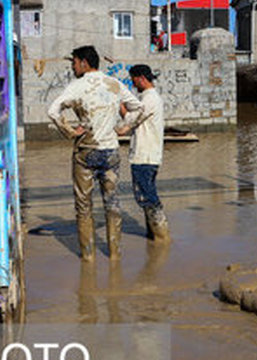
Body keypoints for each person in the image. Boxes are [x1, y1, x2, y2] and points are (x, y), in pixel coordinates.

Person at [47, 45, 140, 260]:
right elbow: (138, 108)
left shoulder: (77, 86)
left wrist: (70, 132)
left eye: (74, 62)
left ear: (84, 63)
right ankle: (115, 256)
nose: (73, 66)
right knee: (112, 202)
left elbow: (53, 111)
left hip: (86, 151)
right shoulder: (114, 83)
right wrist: (124, 127)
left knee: (83, 206)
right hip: (110, 151)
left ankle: (88, 259)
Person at [117, 64, 169, 241]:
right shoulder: (146, 98)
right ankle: (155, 237)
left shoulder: (150, 99)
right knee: (146, 195)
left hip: (145, 156)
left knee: (146, 195)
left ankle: (162, 236)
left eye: (133, 80)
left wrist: (120, 106)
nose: (133, 84)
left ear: (141, 78)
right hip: (148, 155)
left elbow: (132, 118)